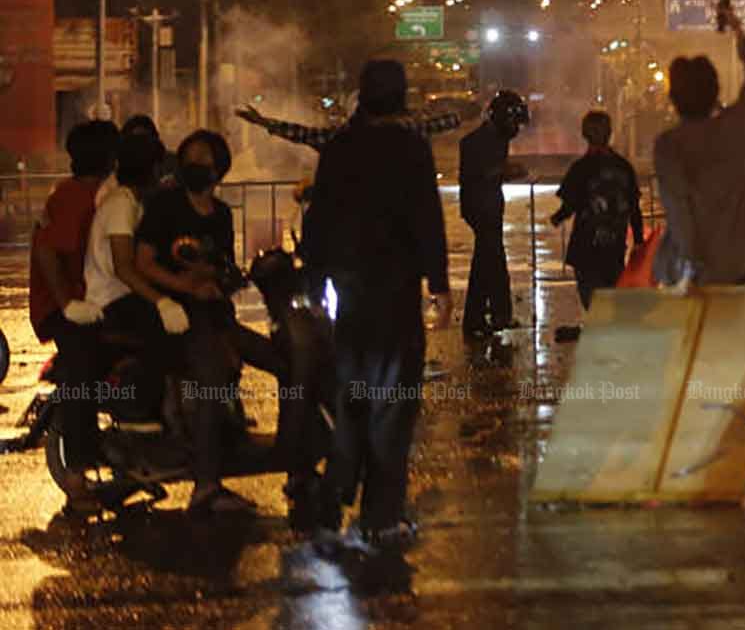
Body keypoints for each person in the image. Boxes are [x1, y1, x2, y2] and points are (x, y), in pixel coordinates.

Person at [302, 59, 449, 549]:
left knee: (353, 393)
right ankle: (382, 513)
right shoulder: (411, 148)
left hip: (350, 292)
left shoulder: (339, 148)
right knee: (393, 402)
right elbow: (427, 218)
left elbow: (319, 218)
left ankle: (336, 493)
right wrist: (439, 284)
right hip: (396, 292)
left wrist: (314, 282)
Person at [135, 129, 281, 513]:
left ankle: (297, 464)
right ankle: (206, 485)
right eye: (189, 158)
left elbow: (222, 266)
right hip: (179, 319)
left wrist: (226, 279)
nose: (194, 165)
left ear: (219, 169)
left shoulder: (221, 215)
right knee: (211, 384)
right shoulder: (165, 207)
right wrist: (185, 286)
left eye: (203, 159)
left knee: (284, 359)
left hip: (218, 318)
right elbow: (143, 263)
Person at [653, 2, 745, 289]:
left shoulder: (669, 146)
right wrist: (736, 28)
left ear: (673, 99)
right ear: (715, 91)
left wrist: (690, 260)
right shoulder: (736, 127)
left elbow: (678, 208)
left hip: (706, 265)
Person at [28, 120, 118, 512]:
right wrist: (68, 305)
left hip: (94, 301)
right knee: (82, 372)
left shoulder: (103, 195)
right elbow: (48, 253)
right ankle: (78, 474)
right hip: (64, 310)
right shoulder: (71, 196)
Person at [551, 110, 645, 338]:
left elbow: (570, 203)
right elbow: (634, 207)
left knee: (591, 292)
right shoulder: (623, 167)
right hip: (615, 243)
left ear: (584, 134)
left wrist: (557, 217)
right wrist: (639, 240)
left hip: (586, 244)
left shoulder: (581, 168)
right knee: (612, 289)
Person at [458, 91, 529, 338]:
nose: (516, 129)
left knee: (488, 261)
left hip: (487, 206)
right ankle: (488, 316)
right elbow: (481, 173)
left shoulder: (496, 137)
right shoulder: (480, 141)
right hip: (480, 207)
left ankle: (487, 315)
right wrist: (507, 171)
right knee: (491, 261)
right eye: (515, 123)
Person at [238, 103, 460, 152]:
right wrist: (264, 122)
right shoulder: (400, 134)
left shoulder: (341, 138)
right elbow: (302, 133)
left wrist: (264, 122)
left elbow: (303, 134)